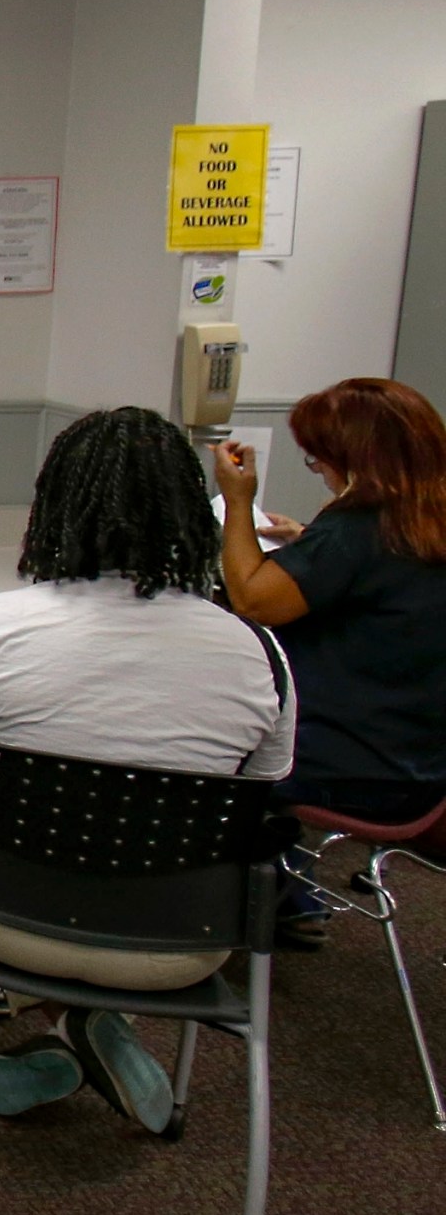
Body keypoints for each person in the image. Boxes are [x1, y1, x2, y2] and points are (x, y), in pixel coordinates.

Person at [0, 407, 294, 1130]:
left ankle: (68, 1036)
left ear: (54, 504)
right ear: (191, 514)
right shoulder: (258, 655)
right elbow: (265, 788)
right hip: (179, 941)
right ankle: (82, 1033)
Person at [218, 377, 446, 944]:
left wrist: (239, 504)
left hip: (348, 772)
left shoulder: (357, 529)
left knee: (214, 741)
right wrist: (310, 541)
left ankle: (237, 905)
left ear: (353, 457)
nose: (317, 469)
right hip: (425, 769)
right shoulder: (425, 520)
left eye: (318, 460)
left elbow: (252, 598)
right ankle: (291, 897)